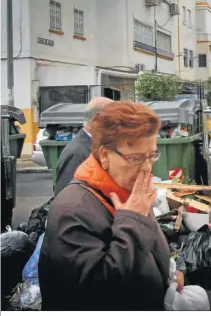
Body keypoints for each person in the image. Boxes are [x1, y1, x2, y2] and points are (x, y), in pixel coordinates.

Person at [39, 101, 180, 310]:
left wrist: (166, 272)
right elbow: (99, 292)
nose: (147, 167)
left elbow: (143, 249)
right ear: (105, 155)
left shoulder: (127, 192)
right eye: (136, 158)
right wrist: (133, 220)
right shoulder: (73, 209)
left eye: (152, 155)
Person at [54, 97, 113, 196]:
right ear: (99, 119)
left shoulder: (93, 146)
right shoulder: (76, 153)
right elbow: (66, 198)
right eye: (114, 119)